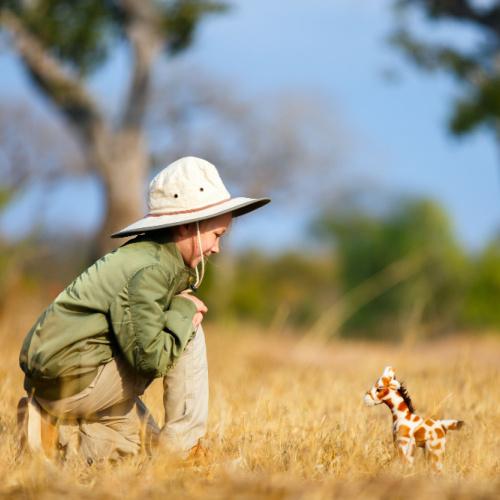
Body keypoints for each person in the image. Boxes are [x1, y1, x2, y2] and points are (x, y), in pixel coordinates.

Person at [18, 156, 270, 463]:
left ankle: (49, 431)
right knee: (189, 325)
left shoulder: (148, 257)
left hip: (60, 382)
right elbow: (148, 358)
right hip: (75, 380)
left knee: (143, 452)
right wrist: (181, 312)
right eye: (217, 236)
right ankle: (186, 450)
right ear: (187, 227)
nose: (217, 248)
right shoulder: (150, 271)